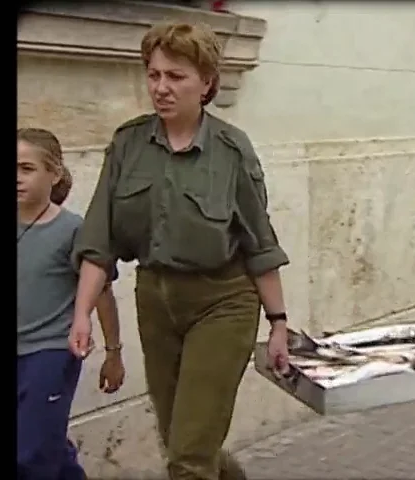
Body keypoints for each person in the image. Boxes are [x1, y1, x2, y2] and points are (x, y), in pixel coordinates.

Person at [69, 22, 292, 480]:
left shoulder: (231, 150)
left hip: (222, 302)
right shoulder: (128, 143)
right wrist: (81, 315)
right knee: (185, 444)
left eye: (176, 76)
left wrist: (279, 324)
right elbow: (99, 239)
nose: (162, 88)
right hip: (156, 302)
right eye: (154, 75)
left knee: (189, 458)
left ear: (207, 82)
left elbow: (259, 243)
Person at [17, 128, 125, 479]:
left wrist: (113, 352)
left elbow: (102, 294)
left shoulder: (74, 230)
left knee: (31, 454)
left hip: (50, 352)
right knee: (47, 446)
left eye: (26, 168)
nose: (17, 178)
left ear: (55, 174)